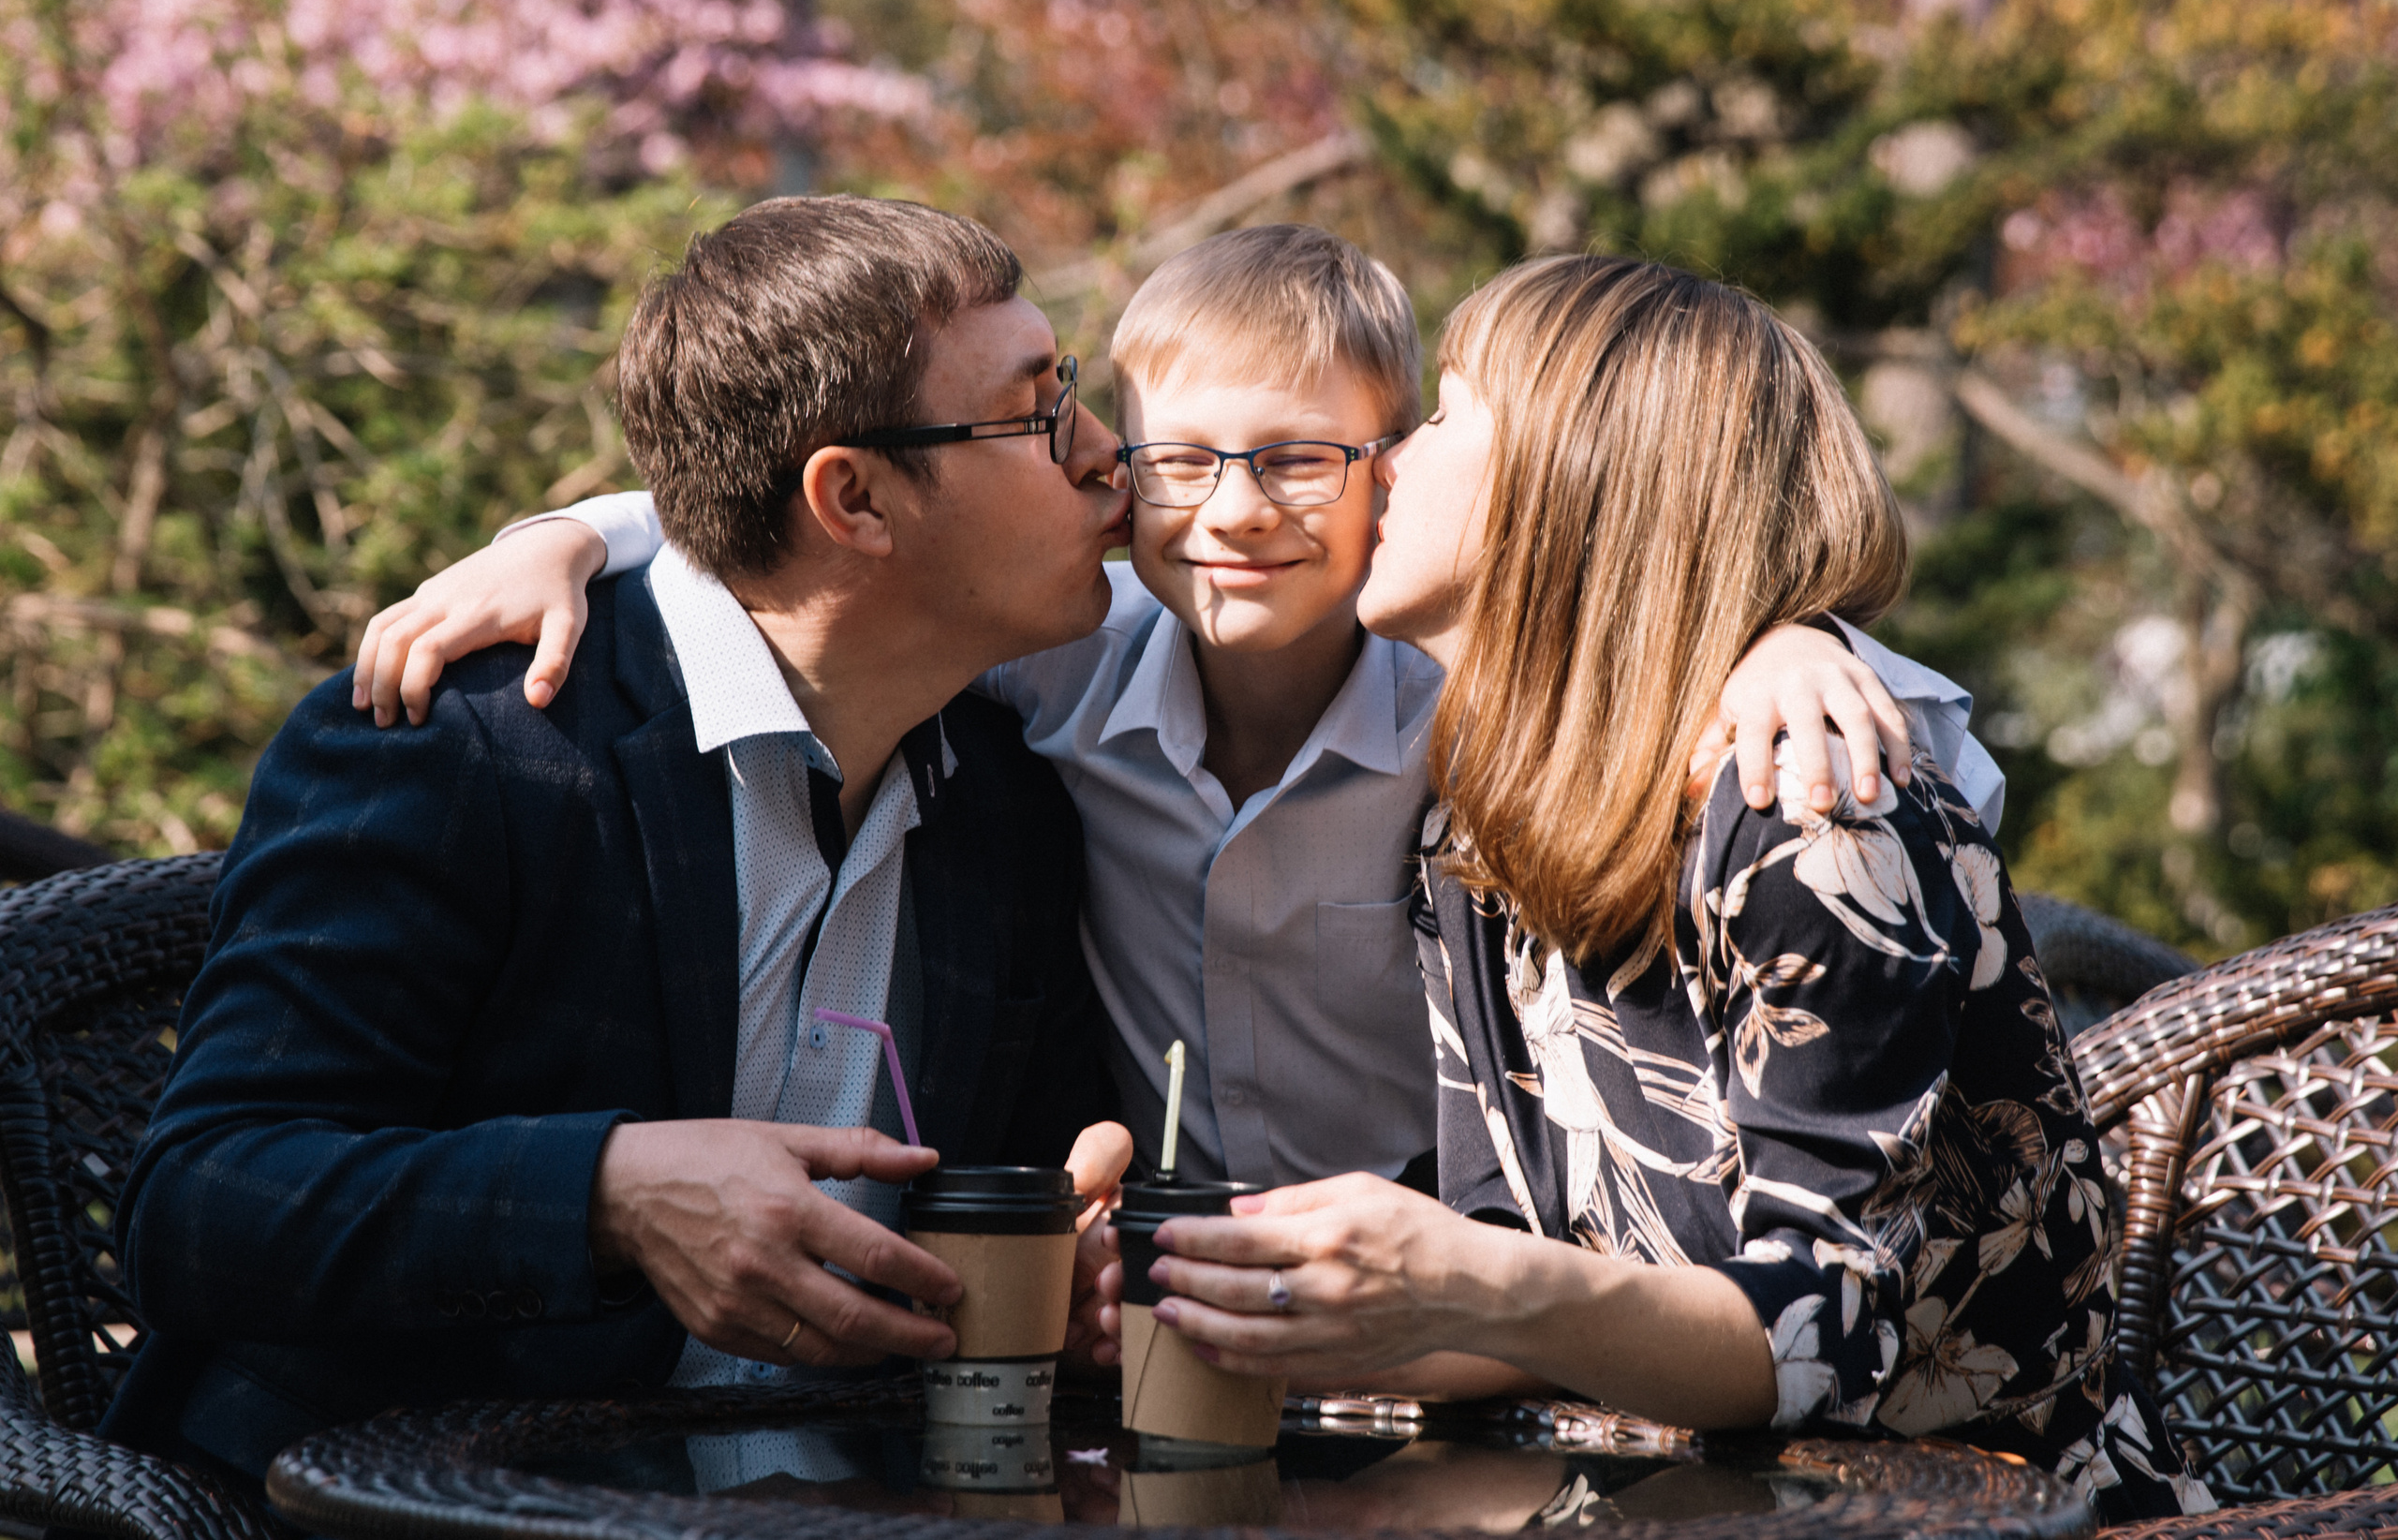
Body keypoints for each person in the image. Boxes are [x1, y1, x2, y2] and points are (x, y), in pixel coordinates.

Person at [352, 225, 1999, 1210]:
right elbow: (813, 529)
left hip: (1458, 1277)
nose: (1234, 512)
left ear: (1391, 470)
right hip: (1151, 1284)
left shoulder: (1473, 697)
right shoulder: (1055, 661)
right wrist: (574, 533)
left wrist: (1781, 638)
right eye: (1180, 461)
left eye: (1300, 460)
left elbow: (1824, 714)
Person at [1118, 255, 2212, 1522]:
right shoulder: (1476, 825)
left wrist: (1467, 1283)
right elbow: (1526, 1270)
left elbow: (1819, 1334)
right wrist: (1237, 1311)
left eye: (1445, 417)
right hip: (1656, 1500)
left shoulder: (1811, 810)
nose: (1390, 463)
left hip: (1979, 1513)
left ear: (1573, 477)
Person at [103, 196, 1132, 1490]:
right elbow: (202, 1202)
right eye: (1040, 412)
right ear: (855, 497)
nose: (1106, 454)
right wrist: (608, 1193)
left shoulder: (1007, 806)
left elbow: (1026, 1206)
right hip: (420, 1513)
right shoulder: (463, 747)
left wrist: (1072, 1267)